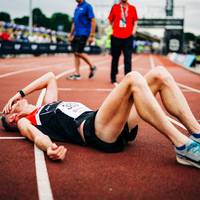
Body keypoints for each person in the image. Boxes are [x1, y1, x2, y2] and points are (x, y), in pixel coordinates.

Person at [1, 67, 200, 168]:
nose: (10, 104)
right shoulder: (26, 121)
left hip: (109, 122)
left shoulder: (46, 105)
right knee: (133, 79)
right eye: (7, 108)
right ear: (12, 118)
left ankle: (196, 133)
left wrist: (19, 93)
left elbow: (50, 77)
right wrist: (48, 148)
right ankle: (182, 146)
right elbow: (36, 136)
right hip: (95, 130)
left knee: (159, 74)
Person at [108, 0, 138, 85]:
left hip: (128, 37)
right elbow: (110, 20)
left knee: (128, 59)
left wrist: (133, 32)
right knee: (115, 58)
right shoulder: (115, 7)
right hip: (116, 37)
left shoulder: (132, 8)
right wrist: (113, 28)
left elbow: (135, 22)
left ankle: (127, 77)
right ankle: (113, 78)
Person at [67, 0, 97, 80]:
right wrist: (71, 34)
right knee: (75, 53)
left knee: (78, 52)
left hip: (84, 33)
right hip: (76, 34)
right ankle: (77, 73)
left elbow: (93, 21)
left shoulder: (87, 6)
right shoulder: (77, 8)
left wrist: (92, 35)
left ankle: (92, 66)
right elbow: (74, 22)